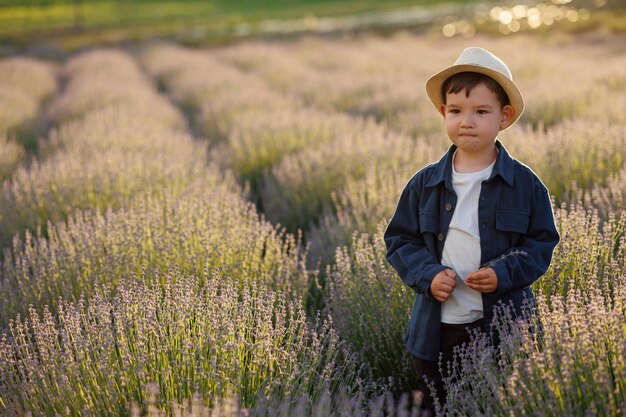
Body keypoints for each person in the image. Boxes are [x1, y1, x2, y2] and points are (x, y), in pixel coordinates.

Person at [383, 47, 560, 414]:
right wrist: (428, 275)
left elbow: (541, 243)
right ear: (442, 113)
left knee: (500, 404)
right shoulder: (425, 184)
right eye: (456, 111)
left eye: (481, 111)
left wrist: (502, 272)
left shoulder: (525, 185)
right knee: (438, 405)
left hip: (502, 331)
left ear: (504, 117)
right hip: (437, 331)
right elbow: (400, 240)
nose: (467, 121)